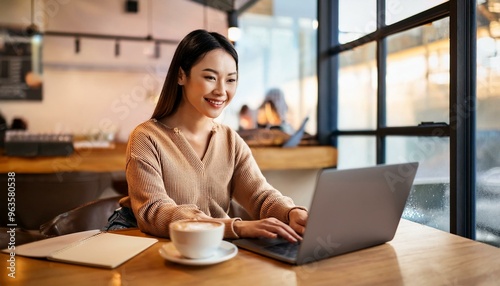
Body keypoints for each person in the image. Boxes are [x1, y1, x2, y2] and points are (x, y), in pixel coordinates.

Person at [105, 29, 307, 243]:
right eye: (210, 77)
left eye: (230, 80)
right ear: (181, 75)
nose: (221, 90)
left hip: (209, 249)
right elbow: (154, 212)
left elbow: (259, 195)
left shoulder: (231, 140)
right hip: (151, 245)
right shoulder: (147, 138)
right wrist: (234, 226)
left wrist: (290, 212)